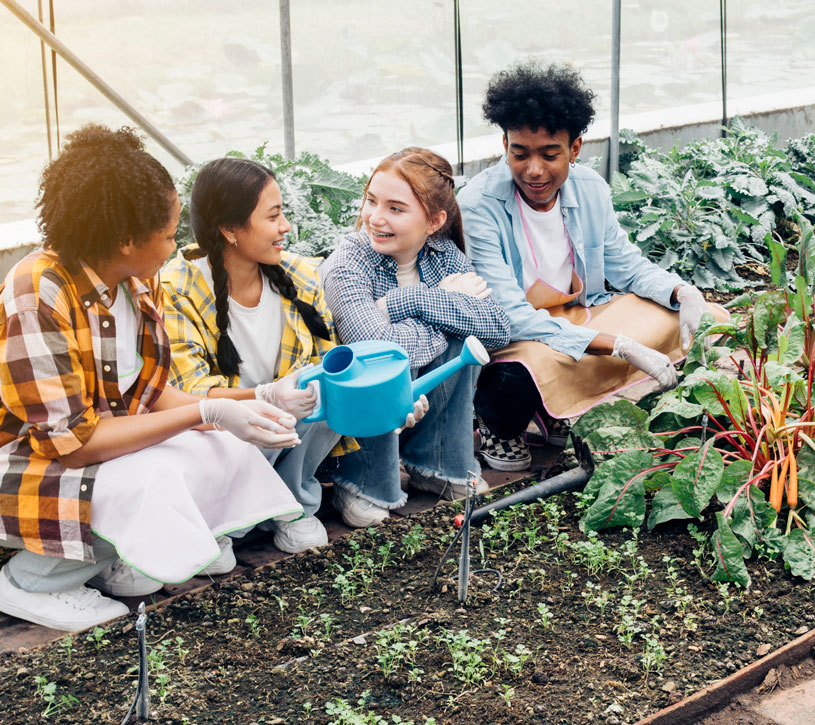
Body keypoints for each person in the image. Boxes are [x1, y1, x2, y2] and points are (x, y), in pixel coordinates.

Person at [0, 125, 305, 632]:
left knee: (222, 448)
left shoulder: (135, 282)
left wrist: (253, 402)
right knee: (151, 477)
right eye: (167, 234)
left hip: (89, 444)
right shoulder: (38, 292)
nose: (176, 244)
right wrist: (203, 412)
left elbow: (148, 391)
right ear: (124, 240)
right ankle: (32, 579)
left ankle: (107, 558)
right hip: (25, 458)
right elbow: (71, 443)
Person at [460, 61, 723, 471]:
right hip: (517, 333)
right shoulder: (479, 205)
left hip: (578, 317)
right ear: (504, 144)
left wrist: (681, 293)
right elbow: (508, 316)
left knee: (675, 317)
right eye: (519, 153)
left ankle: (553, 406)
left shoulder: (590, 189)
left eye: (550, 155)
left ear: (575, 148)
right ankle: (500, 425)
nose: (534, 170)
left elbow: (628, 268)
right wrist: (619, 345)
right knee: (519, 374)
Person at [161, 158, 423, 553]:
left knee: (325, 390)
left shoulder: (299, 276)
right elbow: (194, 395)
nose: (286, 226)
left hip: (286, 435)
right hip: (224, 436)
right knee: (225, 422)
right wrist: (266, 396)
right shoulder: (175, 289)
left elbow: (333, 367)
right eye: (274, 216)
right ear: (230, 230)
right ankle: (226, 518)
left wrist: (391, 403)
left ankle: (290, 505)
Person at [323, 147, 510, 500]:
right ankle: (361, 481)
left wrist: (412, 299)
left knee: (464, 335)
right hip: (353, 419)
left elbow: (498, 327)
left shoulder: (442, 253)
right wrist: (448, 307)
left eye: (395, 208)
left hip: (416, 405)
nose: (375, 218)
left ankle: (436, 465)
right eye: (372, 201)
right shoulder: (347, 263)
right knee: (394, 361)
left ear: (434, 222)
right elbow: (375, 347)